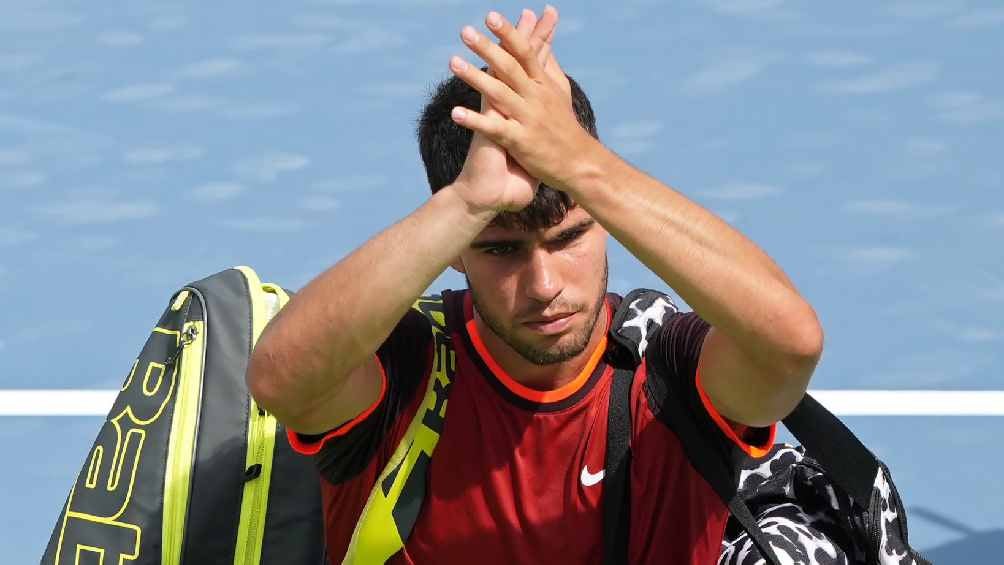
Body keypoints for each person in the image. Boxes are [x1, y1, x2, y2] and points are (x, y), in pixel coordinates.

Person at [247, 6, 824, 564]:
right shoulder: (405, 374)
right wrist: (469, 201)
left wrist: (582, 165)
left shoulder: (670, 375)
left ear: (605, 220)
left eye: (568, 237)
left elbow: (789, 343)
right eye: (501, 249)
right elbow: (281, 378)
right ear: (452, 248)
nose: (544, 285)